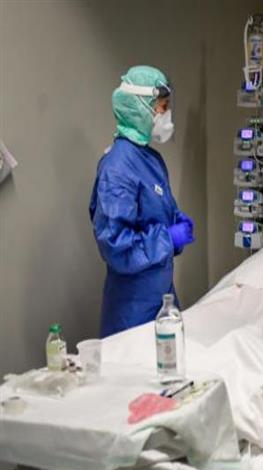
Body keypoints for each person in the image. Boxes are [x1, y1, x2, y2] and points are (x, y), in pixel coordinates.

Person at [90, 66, 195, 338]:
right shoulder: (117, 168)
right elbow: (116, 246)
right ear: (139, 108)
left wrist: (176, 222)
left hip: (162, 297)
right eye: (162, 107)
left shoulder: (151, 160)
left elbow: (155, 216)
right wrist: (169, 238)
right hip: (132, 309)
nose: (167, 114)